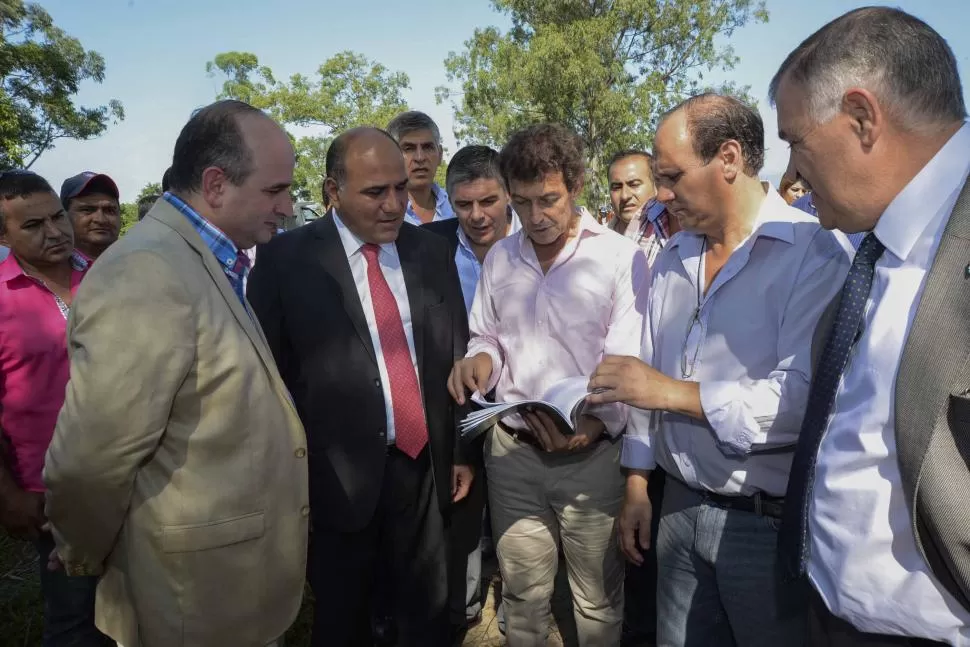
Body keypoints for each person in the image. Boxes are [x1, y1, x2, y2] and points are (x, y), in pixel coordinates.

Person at [43, 100, 310, 647]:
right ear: (215, 185)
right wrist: (82, 552)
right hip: (191, 602)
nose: (286, 207)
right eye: (274, 189)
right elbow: (92, 459)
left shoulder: (206, 259)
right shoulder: (148, 273)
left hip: (228, 591)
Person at [588, 93, 851, 646]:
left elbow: (802, 405)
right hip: (678, 506)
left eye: (672, 176)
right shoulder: (674, 255)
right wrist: (638, 483)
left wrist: (673, 394)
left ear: (729, 158)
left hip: (765, 524)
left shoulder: (816, 255)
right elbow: (646, 372)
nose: (662, 194)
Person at [770, 7, 970, 645]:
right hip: (829, 612)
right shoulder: (874, 249)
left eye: (798, 141)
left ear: (861, 118)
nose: (793, 175)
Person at [248, 127, 472, 647]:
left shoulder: (431, 252)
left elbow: (454, 355)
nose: (394, 204)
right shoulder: (285, 261)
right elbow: (270, 379)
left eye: (399, 187)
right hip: (336, 479)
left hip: (425, 472)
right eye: (376, 192)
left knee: (427, 613)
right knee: (345, 617)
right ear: (332, 191)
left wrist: (462, 449)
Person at [449, 124, 646, 646]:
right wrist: (480, 361)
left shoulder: (620, 259)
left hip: (593, 461)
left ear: (577, 184)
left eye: (550, 200)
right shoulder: (500, 258)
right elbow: (485, 333)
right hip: (513, 457)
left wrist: (589, 422)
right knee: (523, 595)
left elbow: (626, 359)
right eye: (523, 202)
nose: (536, 217)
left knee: (597, 600)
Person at [0, 170, 110, 647]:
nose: (55, 231)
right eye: (33, 225)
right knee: (76, 621)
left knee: (138, 611)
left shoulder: (111, 279)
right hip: (52, 494)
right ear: (2, 235)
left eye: (58, 216)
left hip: (133, 477)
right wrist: (7, 494)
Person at [423, 145, 520, 639]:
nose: (477, 216)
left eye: (489, 201)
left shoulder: (536, 243)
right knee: (461, 510)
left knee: (517, 520)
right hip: (456, 406)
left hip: (523, 413)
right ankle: (462, 607)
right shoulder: (424, 247)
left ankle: (517, 609)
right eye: (464, 205)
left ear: (508, 194)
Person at [607, 149, 681, 271]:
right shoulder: (599, 242)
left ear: (655, 184)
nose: (625, 195)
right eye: (616, 187)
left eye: (634, 184)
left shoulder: (676, 224)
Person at [387, 111, 455, 225]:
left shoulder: (456, 208)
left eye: (427, 147)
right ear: (390, 156)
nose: (420, 157)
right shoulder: (382, 213)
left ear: (440, 155)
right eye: (409, 148)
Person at [60, 172, 121, 261]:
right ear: (64, 216)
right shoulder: (49, 271)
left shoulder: (140, 262)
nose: (101, 220)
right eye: (87, 210)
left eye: (109, 210)